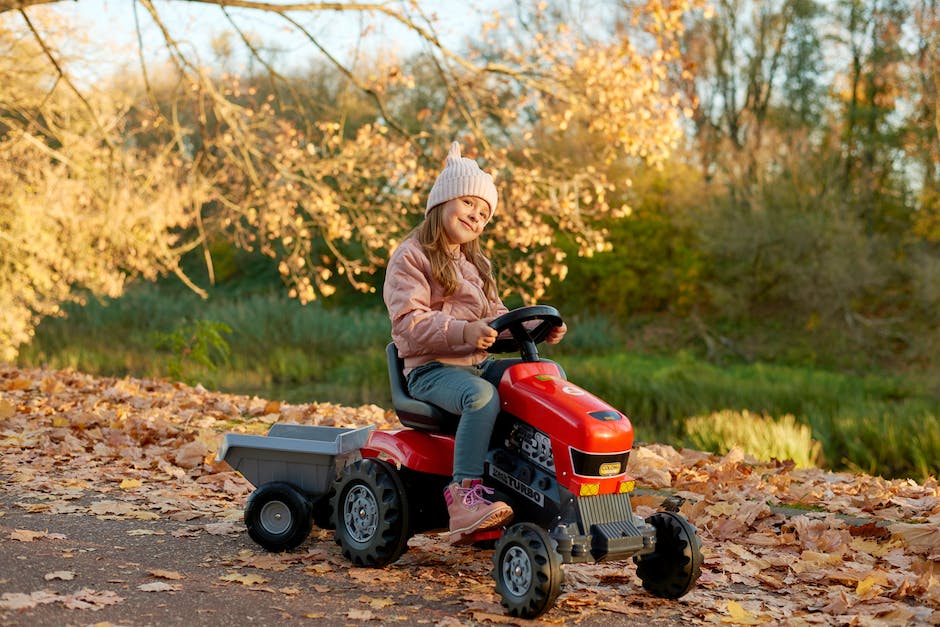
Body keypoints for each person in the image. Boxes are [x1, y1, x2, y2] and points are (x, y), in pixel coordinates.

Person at [383, 141, 567, 544]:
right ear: (442, 202)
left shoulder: (476, 264)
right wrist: (465, 332)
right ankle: (464, 496)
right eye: (468, 202)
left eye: (484, 213)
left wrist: (535, 327)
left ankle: (548, 479)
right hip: (430, 370)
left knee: (544, 379)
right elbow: (410, 324)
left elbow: (497, 319)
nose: (476, 215)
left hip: (474, 363)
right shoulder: (411, 257)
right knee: (482, 396)